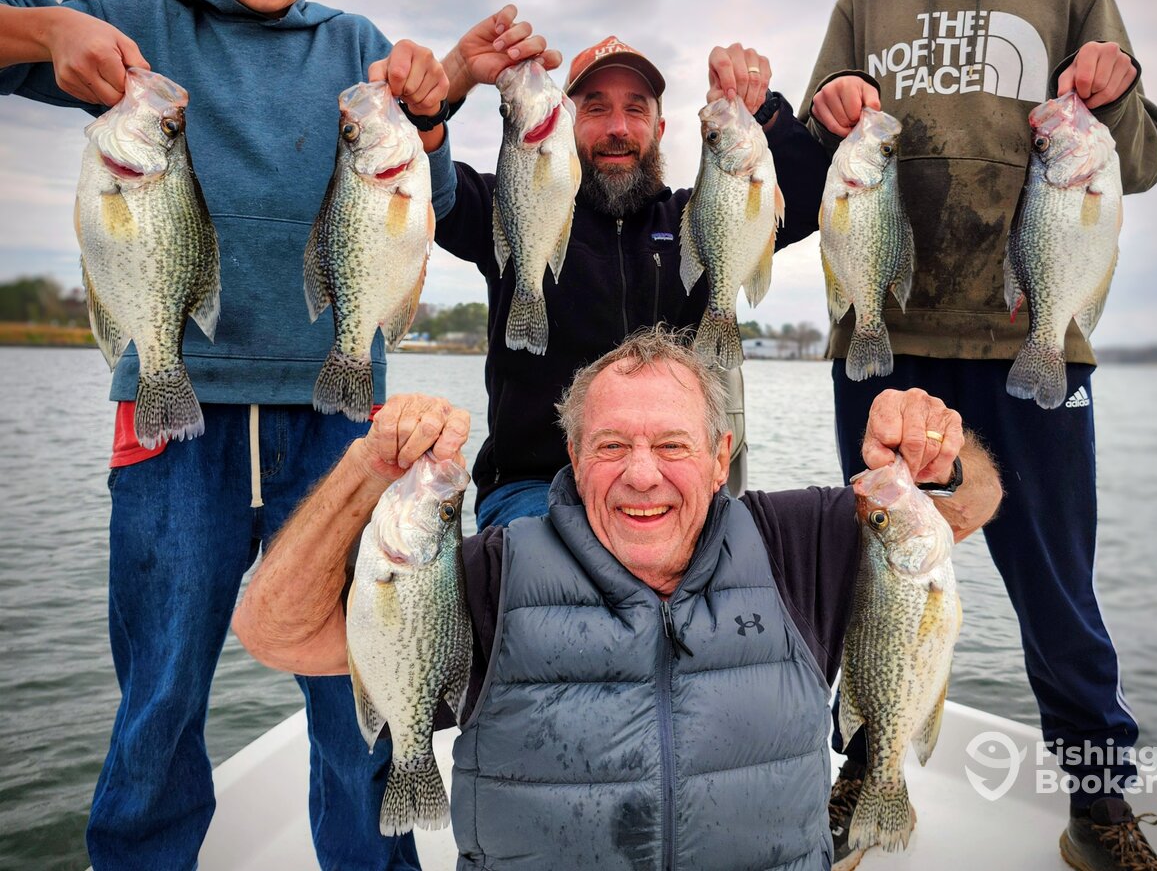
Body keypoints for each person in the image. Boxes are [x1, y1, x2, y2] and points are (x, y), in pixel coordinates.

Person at [0, 0, 538, 869]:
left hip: (339, 423)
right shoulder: (130, 22)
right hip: (172, 423)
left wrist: (437, 109)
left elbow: (416, 199)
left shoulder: (358, 52)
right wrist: (52, 28)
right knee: (159, 695)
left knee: (355, 695)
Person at [232, 326, 1003, 870]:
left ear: (718, 457)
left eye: (672, 445)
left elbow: (971, 505)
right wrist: (368, 466)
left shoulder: (797, 544)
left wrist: (938, 452)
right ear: (571, 455)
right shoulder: (490, 575)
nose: (642, 475)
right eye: (611, 446)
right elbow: (276, 635)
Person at [793, 0, 1157, 868]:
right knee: (874, 582)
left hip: (1029, 344)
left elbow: (1134, 162)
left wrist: (1122, 83)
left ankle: (1096, 808)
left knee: (1057, 590)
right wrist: (835, 101)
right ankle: (862, 777)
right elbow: (829, 164)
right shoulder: (866, 0)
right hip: (886, 342)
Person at [425, 18, 826, 527]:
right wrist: (451, 80)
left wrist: (766, 113)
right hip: (534, 486)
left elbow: (813, 197)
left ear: (659, 129)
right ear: (565, 121)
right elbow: (425, 188)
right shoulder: (512, 199)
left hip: (669, 483)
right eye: (596, 108)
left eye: (635, 109)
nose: (617, 128)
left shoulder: (700, 218)